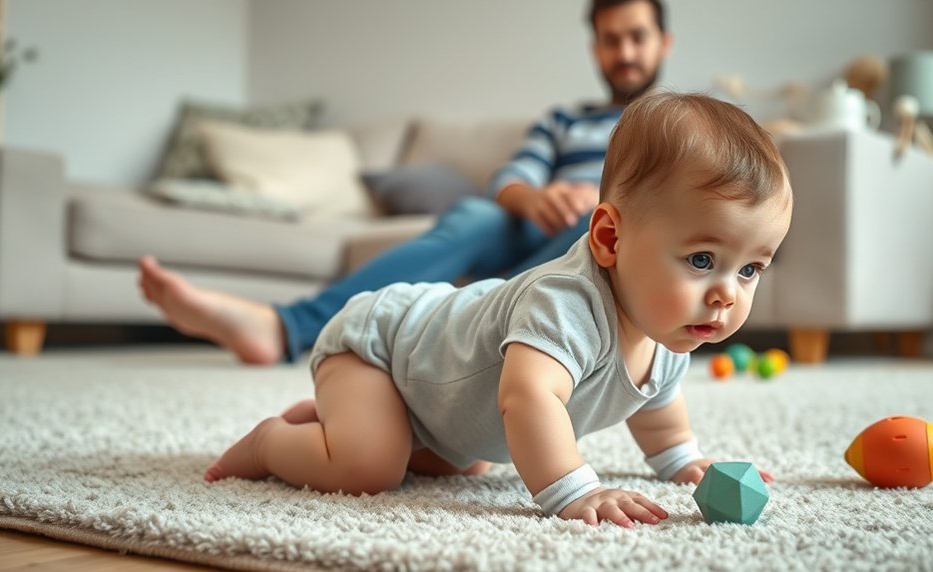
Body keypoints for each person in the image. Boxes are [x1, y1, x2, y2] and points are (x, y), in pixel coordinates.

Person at [202, 91, 794, 528]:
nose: (726, 294)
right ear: (610, 240)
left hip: (435, 398)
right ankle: (273, 440)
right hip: (382, 345)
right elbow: (529, 398)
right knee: (368, 469)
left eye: (749, 270)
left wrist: (681, 461)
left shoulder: (671, 327)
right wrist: (574, 490)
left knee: (467, 462)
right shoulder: (564, 303)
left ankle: (358, 416)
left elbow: (655, 403)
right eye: (701, 260)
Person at [138, 0, 674, 365]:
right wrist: (535, 196)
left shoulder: (678, 126)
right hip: (535, 230)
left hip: (603, 238)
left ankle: (488, 314)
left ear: (662, 43)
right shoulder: (562, 121)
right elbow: (509, 181)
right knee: (475, 214)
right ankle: (285, 329)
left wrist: (603, 203)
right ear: (595, 49)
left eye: (635, 38)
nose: (624, 53)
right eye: (611, 40)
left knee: (599, 223)